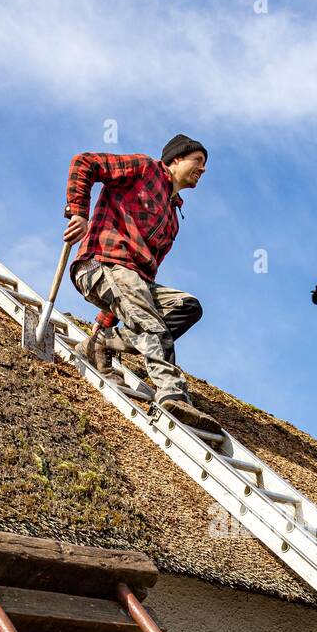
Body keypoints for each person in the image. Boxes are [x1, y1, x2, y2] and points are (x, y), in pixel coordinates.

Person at [63, 134, 220, 433]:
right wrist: (79, 213)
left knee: (187, 307)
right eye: (198, 161)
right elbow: (85, 163)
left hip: (133, 282)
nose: (203, 169)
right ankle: (172, 393)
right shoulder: (144, 168)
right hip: (102, 262)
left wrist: (105, 323)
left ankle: (104, 343)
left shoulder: (173, 219)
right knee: (152, 325)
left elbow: (143, 282)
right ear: (175, 159)